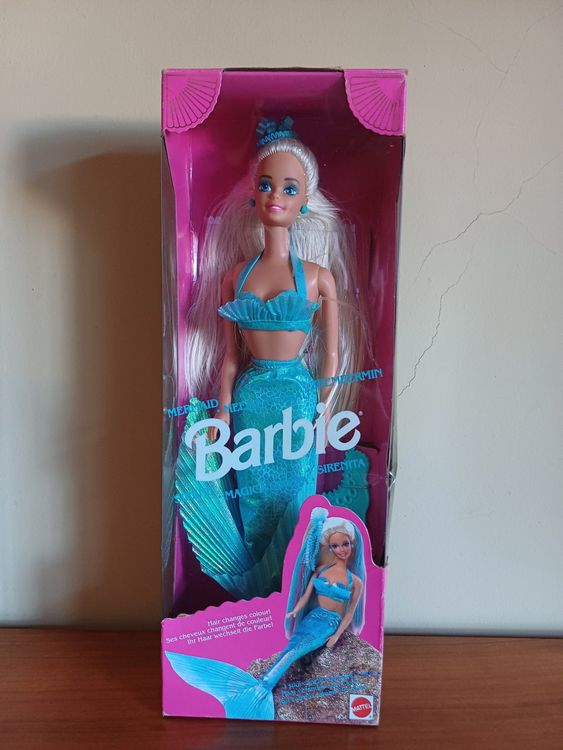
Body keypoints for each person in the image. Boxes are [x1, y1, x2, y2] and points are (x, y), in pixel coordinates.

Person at [176, 117, 364, 597]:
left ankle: (294, 587)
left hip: (297, 399)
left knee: (295, 495)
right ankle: (256, 597)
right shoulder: (235, 276)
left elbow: (332, 354)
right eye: (266, 185)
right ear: (253, 196)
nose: (275, 196)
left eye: (289, 188)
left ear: (305, 202)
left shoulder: (318, 277)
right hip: (250, 400)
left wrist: (324, 407)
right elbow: (230, 357)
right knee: (254, 495)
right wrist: (222, 412)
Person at [165, 507, 367, 721]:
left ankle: (262, 687)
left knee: (293, 653)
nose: (341, 549)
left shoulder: (355, 581)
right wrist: (295, 610)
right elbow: (305, 586)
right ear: (329, 547)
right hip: (312, 618)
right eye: (335, 545)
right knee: (289, 649)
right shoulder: (321, 570)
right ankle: (257, 689)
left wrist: (336, 635)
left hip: (328, 624)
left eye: (345, 544)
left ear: (352, 545)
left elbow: (349, 613)